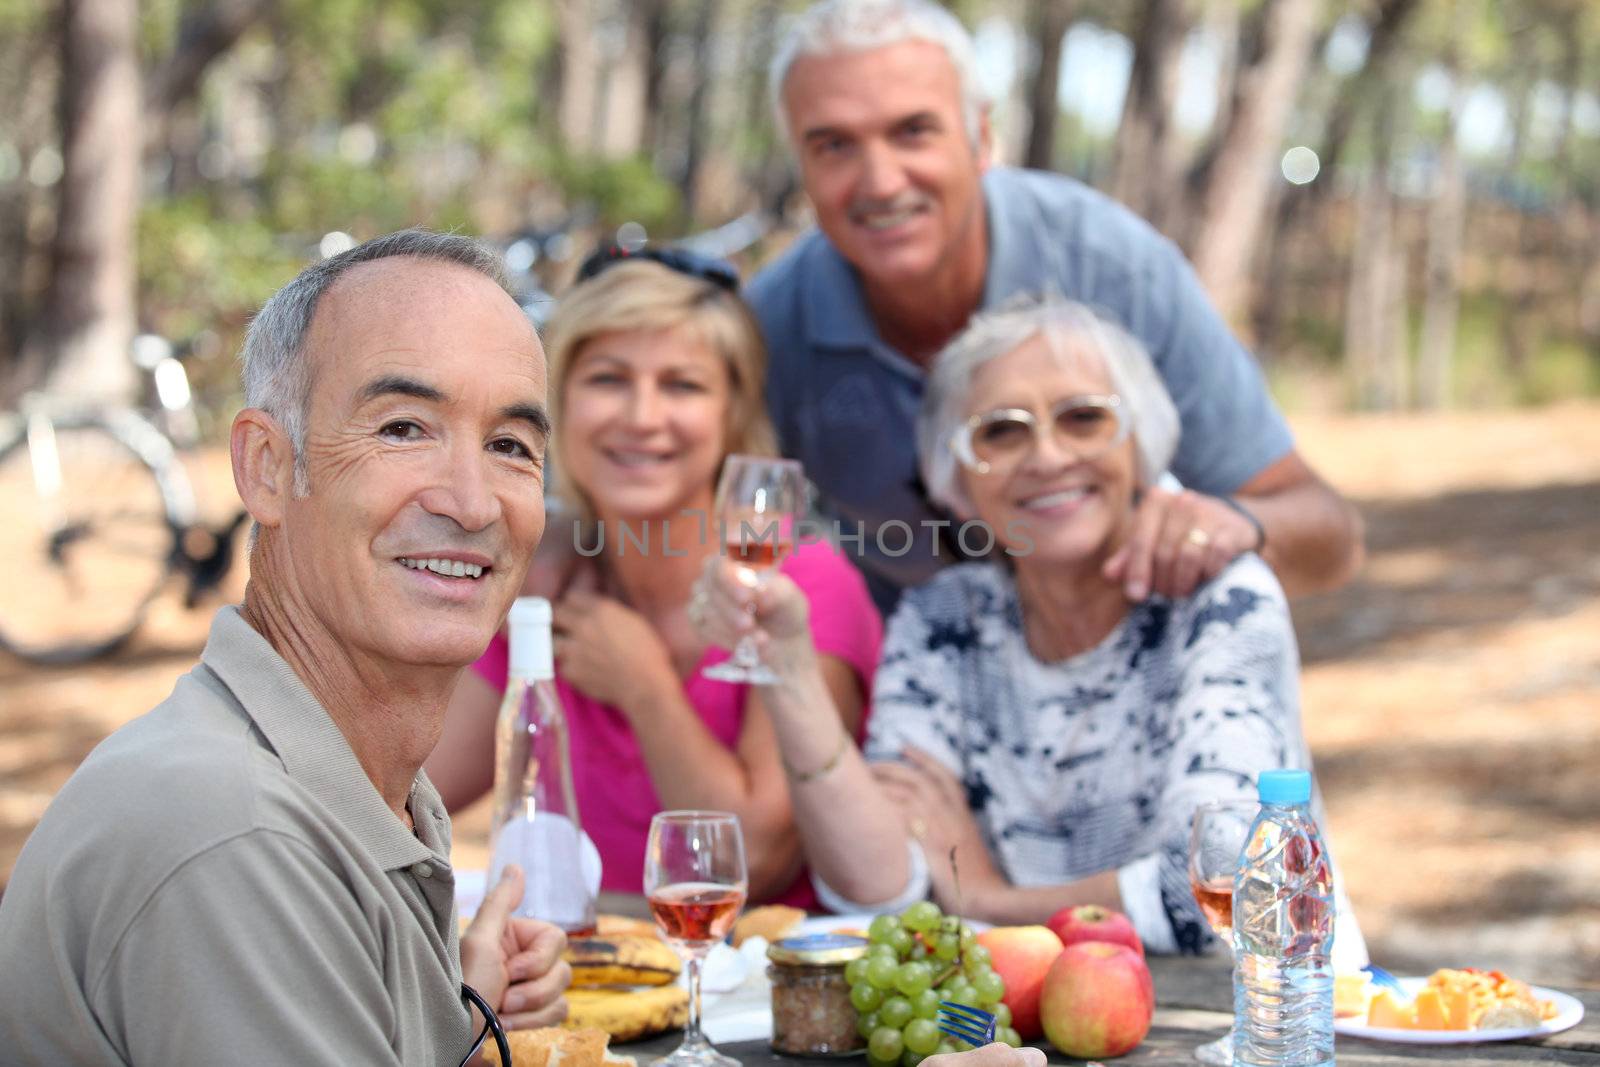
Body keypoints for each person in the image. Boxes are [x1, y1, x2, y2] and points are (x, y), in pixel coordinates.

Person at [0, 231, 572, 1064]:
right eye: (405, 427)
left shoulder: (346, 778)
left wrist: (451, 1010)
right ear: (267, 467)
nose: (472, 500)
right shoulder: (237, 837)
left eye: (510, 445)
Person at [694, 299, 1365, 963]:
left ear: (1141, 443)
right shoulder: (944, 618)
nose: (1046, 456)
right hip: (1032, 1031)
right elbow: (880, 885)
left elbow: (1227, 883)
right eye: (1001, 431)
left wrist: (988, 900)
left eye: (1084, 418)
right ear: (955, 477)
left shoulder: (1219, 599)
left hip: (1251, 1025)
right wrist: (788, 669)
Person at [747, 0, 1363, 613]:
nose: (880, 181)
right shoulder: (772, 328)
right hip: (904, 676)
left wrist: (1227, 527)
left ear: (982, 137)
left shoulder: (1112, 270)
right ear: (800, 165)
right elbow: (732, 540)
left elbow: (1328, 535)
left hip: (1121, 660)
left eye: (913, 131)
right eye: (833, 145)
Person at [423, 251, 881, 909]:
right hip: (591, 981)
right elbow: (413, 790)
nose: (641, 416)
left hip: (750, 992)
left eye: (682, 385)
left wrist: (644, 688)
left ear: (732, 414)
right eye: (608, 379)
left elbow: (757, 858)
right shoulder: (543, 578)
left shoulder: (799, 585)